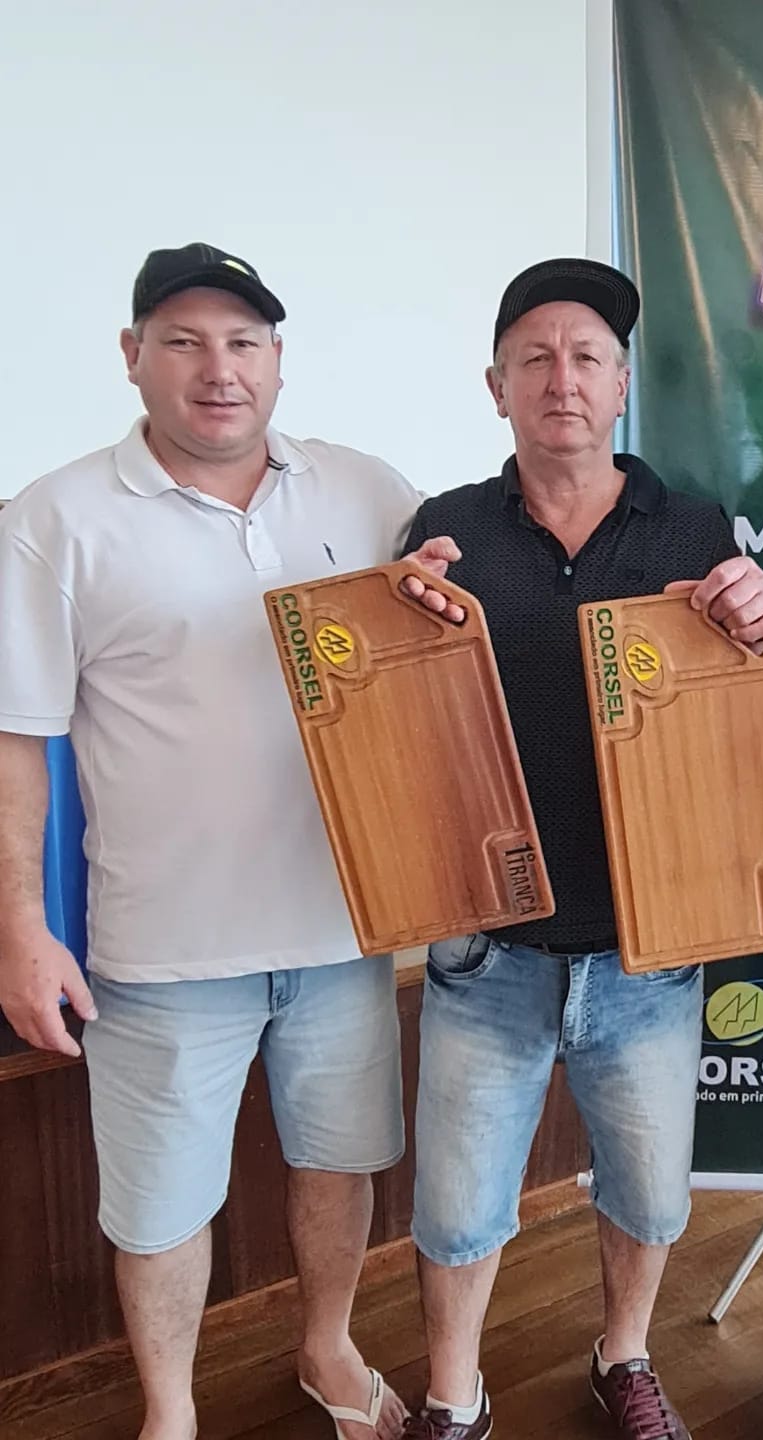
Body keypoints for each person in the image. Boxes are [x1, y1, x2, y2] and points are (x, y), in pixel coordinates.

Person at [0, 243, 455, 1440]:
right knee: (157, 1209)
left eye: (244, 342)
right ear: (132, 356)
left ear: (278, 360)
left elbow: (449, 650)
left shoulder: (367, 491)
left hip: (344, 929)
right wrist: (21, 931)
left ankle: (327, 1348)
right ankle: (170, 1413)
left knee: (341, 1163)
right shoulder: (53, 520)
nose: (219, 370)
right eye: (185, 342)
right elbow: (16, 744)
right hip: (161, 950)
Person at [398, 258, 763, 1440]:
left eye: (586, 358)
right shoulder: (447, 530)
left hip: (647, 950)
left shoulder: (694, 526)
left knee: (651, 1197)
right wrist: (392, 628)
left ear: (621, 385)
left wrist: (758, 628)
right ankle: (454, 1395)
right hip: (488, 948)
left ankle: (625, 1357)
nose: (560, 379)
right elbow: (406, 727)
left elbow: (735, 711)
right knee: (458, 1208)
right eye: (535, 358)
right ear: (496, 386)